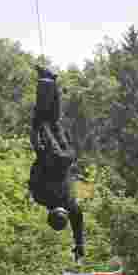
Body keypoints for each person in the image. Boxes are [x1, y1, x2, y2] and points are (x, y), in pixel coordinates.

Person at [30, 66, 84, 259]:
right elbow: (34, 176)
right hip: (52, 158)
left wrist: (79, 244)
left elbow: (78, 220)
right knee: (41, 122)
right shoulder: (41, 198)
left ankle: (51, 81)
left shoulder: (70, 204)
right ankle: (45, 81)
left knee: (54, 122)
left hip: (68, 157)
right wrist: (39, 153)